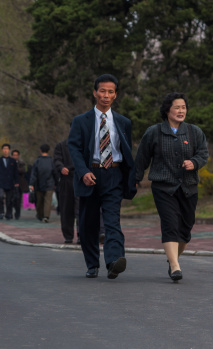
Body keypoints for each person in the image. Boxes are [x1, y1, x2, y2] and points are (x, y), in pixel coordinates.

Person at [68, 74, 136, 279]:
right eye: (103, 91)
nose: (106, 95)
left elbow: (126, 150)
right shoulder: (81, 121)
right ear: (95, 92)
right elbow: (74, 148)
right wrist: (83, 172)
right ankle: (92, 264)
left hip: (113, 174)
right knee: (88, 223)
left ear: (115, 95)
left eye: (111, 92)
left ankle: (114, 261)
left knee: (112, 220)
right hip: (90, 174)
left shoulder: (123, 122)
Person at [135, 92, 208, 281]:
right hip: (163, 187)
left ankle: (172, 259)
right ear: (167, 110)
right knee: (170, 224)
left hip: (189, 187)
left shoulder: (194, 132)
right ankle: (175, 267)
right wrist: (134, 180)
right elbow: (142, 158)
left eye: (184, 107)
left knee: (185, 228)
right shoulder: (154, 132)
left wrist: (195, 162)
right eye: (177, 107)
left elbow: (203, 154)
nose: (181, 111)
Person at [54, 137, 80, 244]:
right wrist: (61, 167)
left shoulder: (84, 142)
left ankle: (81, 235)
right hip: (66, 179)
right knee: (66, 209)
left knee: (81, 210)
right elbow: (56, 159)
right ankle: (68, 236)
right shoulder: (61, 145)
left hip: (81, 179)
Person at [29, 144, 59, 223]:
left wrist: (31, 184)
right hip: (50, 184)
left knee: (39, 201)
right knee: (47, 201)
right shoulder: (51, 161)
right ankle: (46, 216)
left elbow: (34, 174)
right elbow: (55, 173)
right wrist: (57, 183)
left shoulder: (37, 161)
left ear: (40, 150)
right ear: (49, 151)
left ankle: (40, 215)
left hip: (38, 184)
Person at [0, 144, 19, 220]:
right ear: (2, 150)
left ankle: (8, 214)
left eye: (7, 149)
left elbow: (16, 172)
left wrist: (17, 182)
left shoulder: (13, 161)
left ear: (9, 150)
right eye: (4, 149)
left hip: (10, 183)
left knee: (9, 200)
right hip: (1, 182)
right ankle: (1, 212)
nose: (5, 150)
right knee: (0, 197)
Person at [11, 149, 28, 220]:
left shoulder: (21, 163)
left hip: (20, 184)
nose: (15, 156)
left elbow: (23, 170)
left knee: (18, 199)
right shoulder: (9, 162)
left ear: (18, 156)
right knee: (11, 199)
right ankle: (9, 213)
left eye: (16, 155)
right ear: (12, 156)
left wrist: (14, 168)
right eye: (14, 155)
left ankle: (17, 213)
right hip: (11, 184)